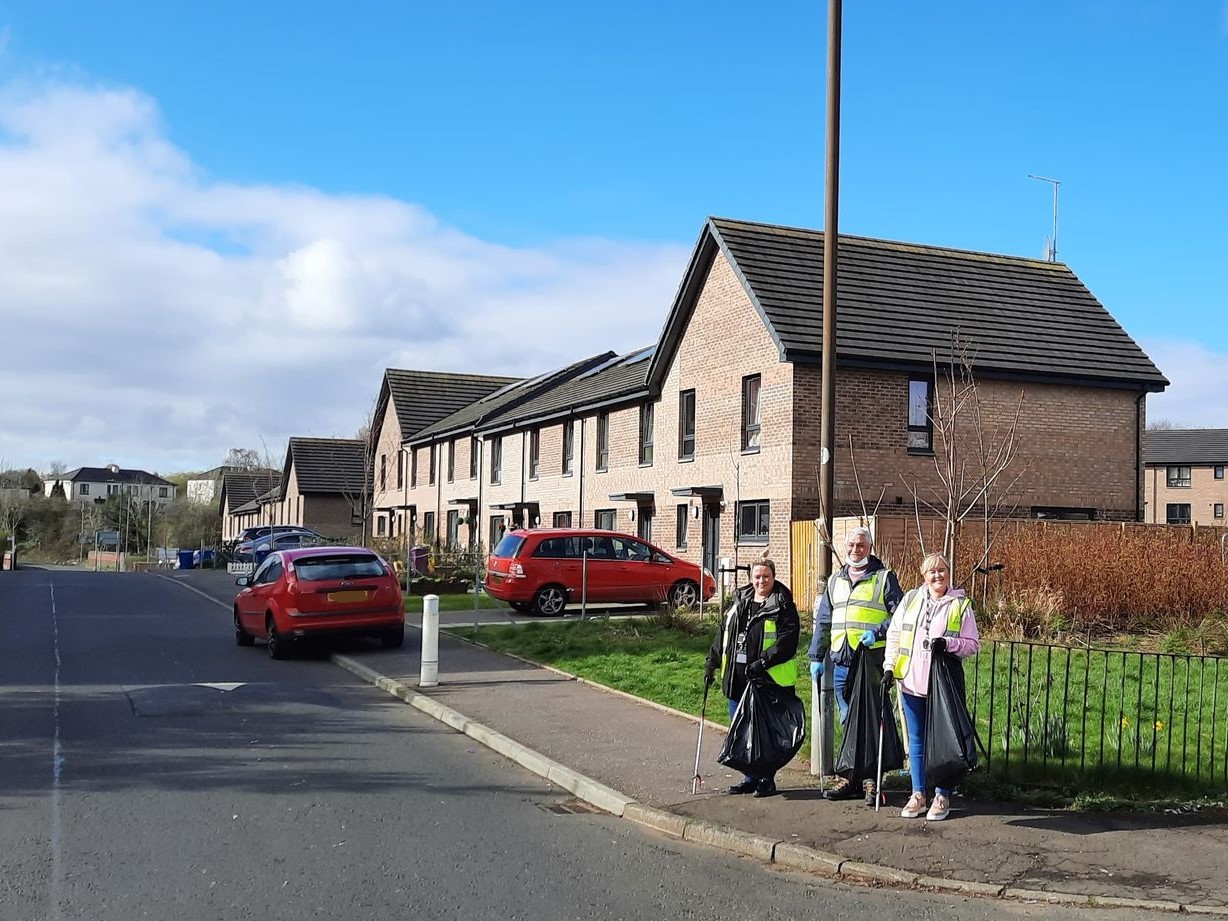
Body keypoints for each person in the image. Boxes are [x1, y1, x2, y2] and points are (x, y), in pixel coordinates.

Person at [808, 526, 903, 802]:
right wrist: (817, 656)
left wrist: (879, 631)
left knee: (871, 722)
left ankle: (872, 780)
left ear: (870, 548)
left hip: (870, 662)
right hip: (842, 662)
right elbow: (824, 621)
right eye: (850, 545)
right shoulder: (835, 581)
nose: (854, 550)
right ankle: (850, 777)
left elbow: (899, 615)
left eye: (860, 545)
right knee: (847, 719)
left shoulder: (884, 578)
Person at [884, 552, 980, 821]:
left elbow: (972, 644)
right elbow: (895, 634)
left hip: (943, 684)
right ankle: (918, 794)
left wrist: (948, 644)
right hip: (912, 681)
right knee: (916, 740)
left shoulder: (960, 604)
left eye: (942, 570)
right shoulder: (911, 599)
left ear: (948, 573)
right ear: (923, 575)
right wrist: (889, 667)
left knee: (943, 740)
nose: (938, 575)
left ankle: (942, 794)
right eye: (932, 572)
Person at [704, 558, 800, 798]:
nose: (761, 581)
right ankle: (750, 777)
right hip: (737, 677)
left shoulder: (782, 604)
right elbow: (723, 635)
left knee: (764, 732)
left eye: (766, 576)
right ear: (751, 578)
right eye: (757, 576)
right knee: (741, 729)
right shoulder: (739, 602)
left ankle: (766, 779)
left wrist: (763, 661)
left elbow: (787, 642)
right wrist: (711, 664)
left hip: (767, 680)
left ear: (774, 577)